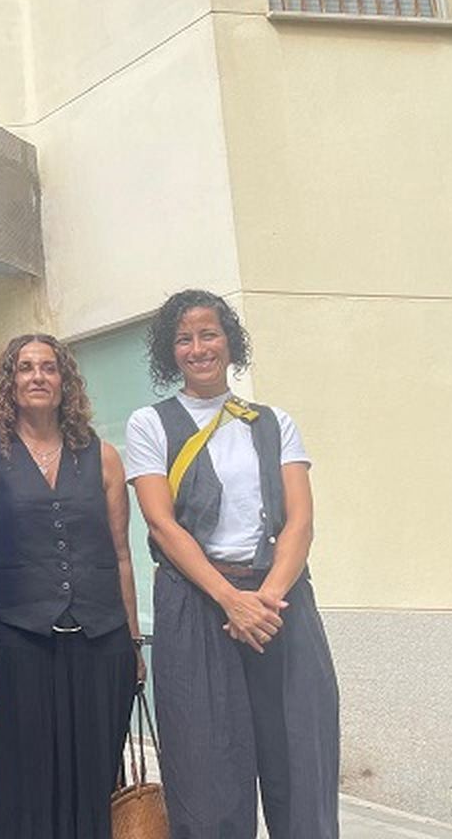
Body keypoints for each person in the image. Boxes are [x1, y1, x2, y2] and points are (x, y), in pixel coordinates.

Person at [125, 290, 339, 839]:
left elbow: (300, 522)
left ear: (230, 341)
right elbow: (161, 525)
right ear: (169, 352)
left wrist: (264, 600)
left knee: (301, 760)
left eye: (209, 334)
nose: (198, 348)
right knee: (206, 771)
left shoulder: (274, 422)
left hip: (280, 603)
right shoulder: (150, 424)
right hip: (197, 608)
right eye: (184, 338)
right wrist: (230, 599)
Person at [0, 334, 145, 839]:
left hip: (100, 637)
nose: (37, 377)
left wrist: (133, 641)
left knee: (94, 774)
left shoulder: (103, 456)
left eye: (48, 368)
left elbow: (122, 555)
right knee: (25, 776)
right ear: (9, 382)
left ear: (65, 381)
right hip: (19, 639)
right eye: (25, 368)